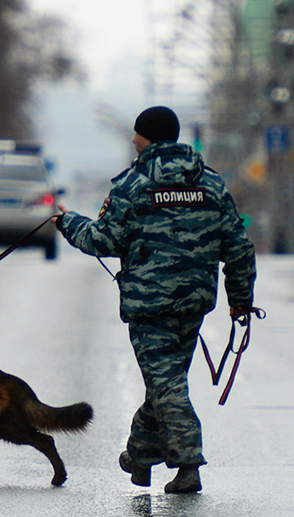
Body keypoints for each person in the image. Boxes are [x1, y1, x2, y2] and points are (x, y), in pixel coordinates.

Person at [52, 106, 257, 494]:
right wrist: (240, 299)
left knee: (166, 384)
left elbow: (104, 240)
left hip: (150, 304)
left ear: (147, 137)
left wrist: (67, 222)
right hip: (194, 301)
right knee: (166, 381)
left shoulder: (133, 184)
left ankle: (188, 463)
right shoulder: (210, 183)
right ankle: (140, 457)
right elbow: (239, 247)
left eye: (136, 134)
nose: (132, 140)